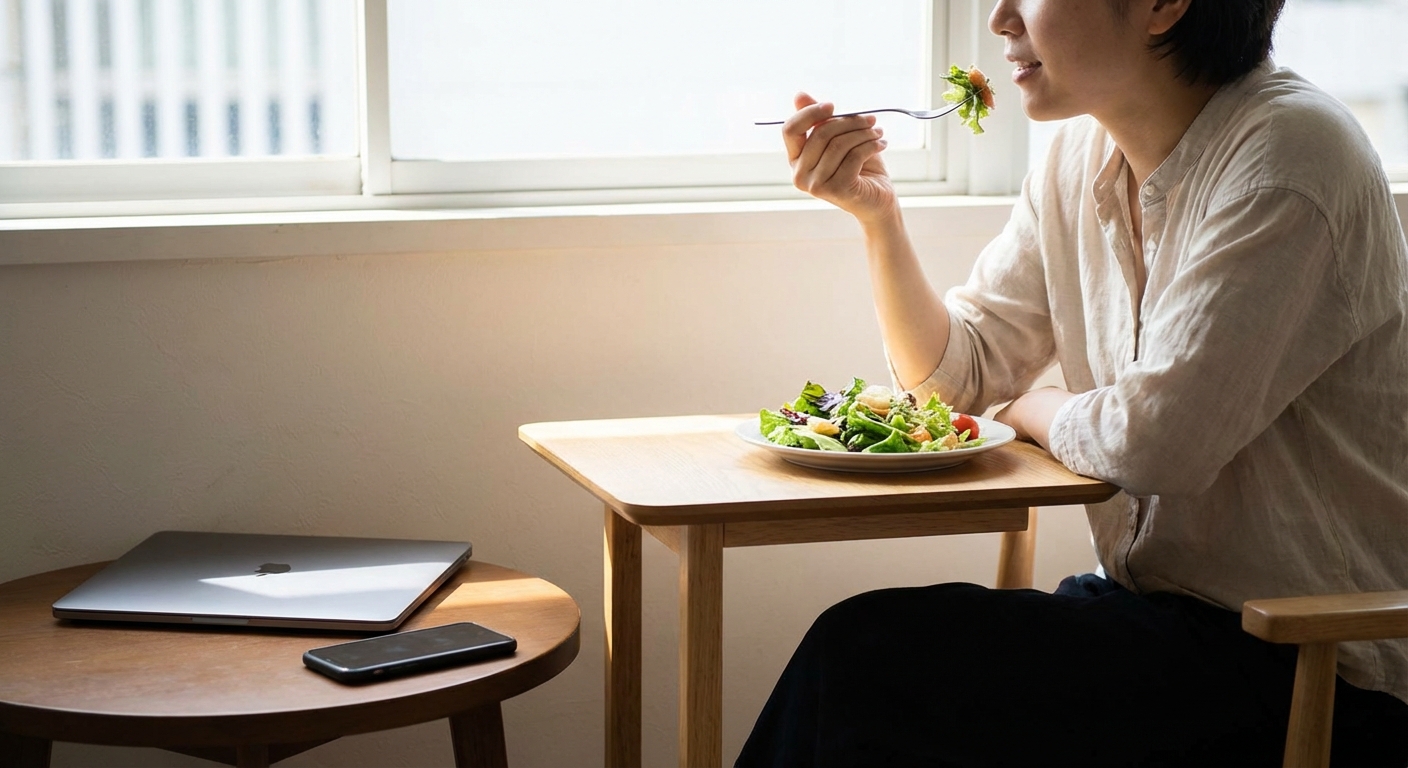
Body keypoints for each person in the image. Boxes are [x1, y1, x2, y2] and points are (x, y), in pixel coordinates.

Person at [737, 0, 1408, 765]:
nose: (998, 18)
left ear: (1161, 6)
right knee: (870, 665)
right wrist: (877, 219)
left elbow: (1160, 444)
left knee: (866, 663)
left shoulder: (1291, 158)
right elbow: (958, 382)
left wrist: (1037, 406)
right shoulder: (1077, 157)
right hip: (1158, 622)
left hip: (1314, 667)